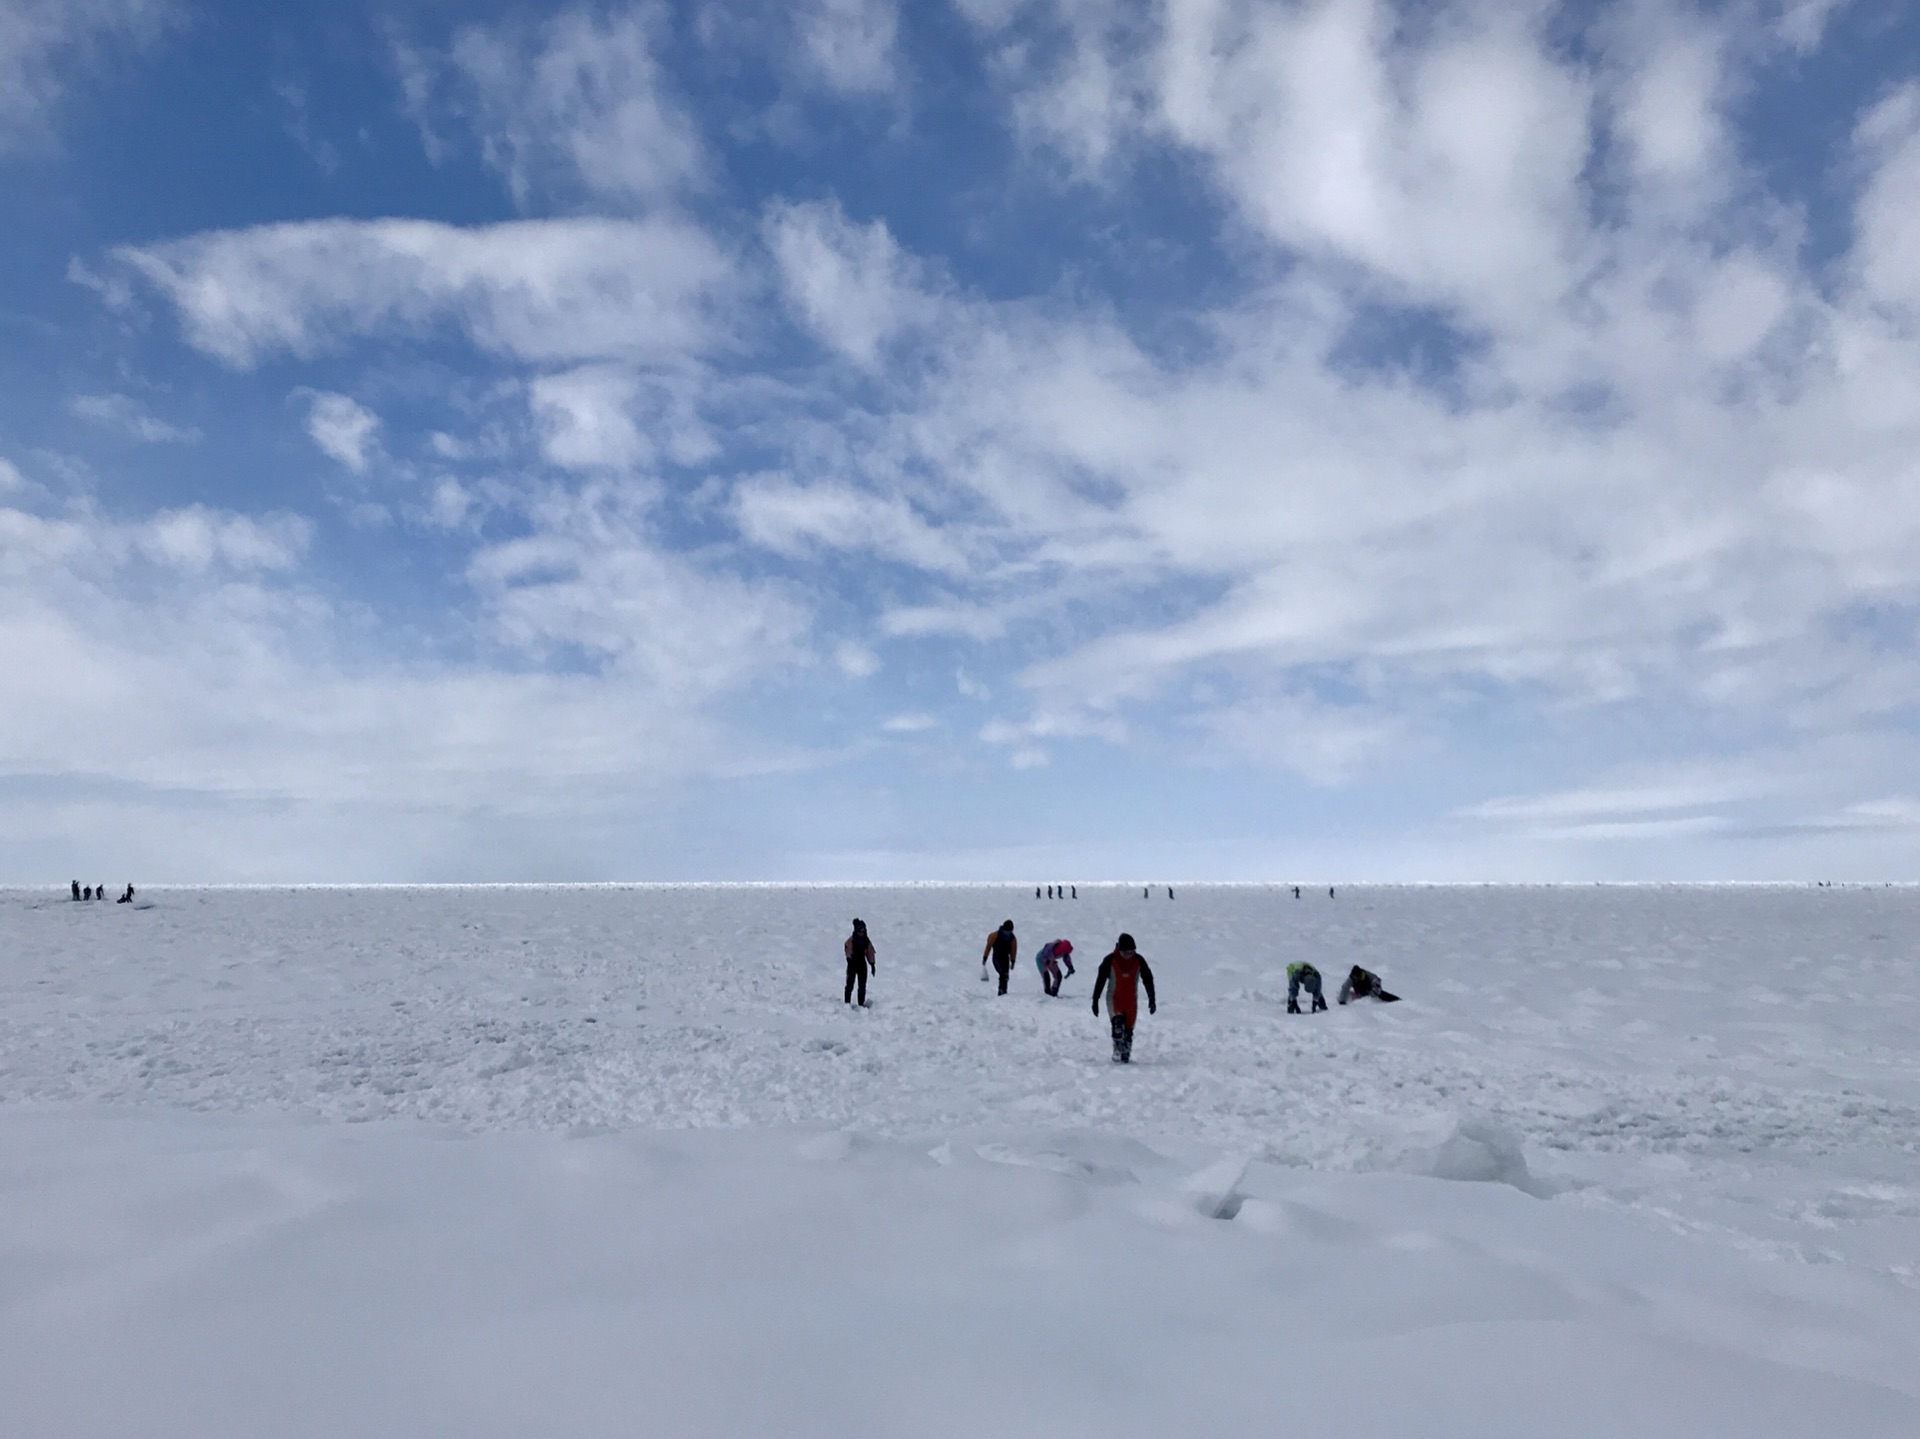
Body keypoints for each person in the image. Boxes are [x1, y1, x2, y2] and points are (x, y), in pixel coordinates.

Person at [1091, 933, 1156, 1063]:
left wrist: (1151, 998)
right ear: (1119, 950)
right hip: (1114, 998)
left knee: (1128, 1031)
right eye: (1126, 953)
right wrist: (1095, 1000)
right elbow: (1101, 980)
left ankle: (1125, 1053)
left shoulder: (1138, 960)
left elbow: (1148, 978)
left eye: (1132, 952)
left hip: (1131, 1000)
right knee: (1117, 1024)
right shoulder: (1110, 960)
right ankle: (1117, 1048)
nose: (1129, 955)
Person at [844, 919, 876, 1006]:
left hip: (862, 964)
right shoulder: (851, 940)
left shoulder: (866, 941)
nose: (861, 933)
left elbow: (870, 952)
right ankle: (847, 1003)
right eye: (860, 931)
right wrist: (849, 959)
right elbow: (848, 949)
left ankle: (861, 1004)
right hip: (852, 964)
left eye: (863, 931)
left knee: (862, 985)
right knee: (850, 984)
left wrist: (872, 964)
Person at [983, 920, 1018, 994]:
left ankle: (1003, 992)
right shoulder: (994, 936)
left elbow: (1013, 950)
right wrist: (985, 957)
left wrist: (1013, 961)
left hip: (1005, 959)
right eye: (1006, 932)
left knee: (1005, 976)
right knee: (1002, 973)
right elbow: (988, 947)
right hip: (996, 958)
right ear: (1003, 929)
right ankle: (1001, 991)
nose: (1008, 934)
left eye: (1009, 932)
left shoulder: (1012, 939)